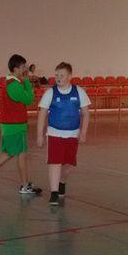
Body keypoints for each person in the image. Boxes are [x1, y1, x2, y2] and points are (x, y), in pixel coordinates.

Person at [0, 54, 42, 195]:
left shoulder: (12, 83)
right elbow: (29, 99)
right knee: (14, 153)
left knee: (15, 153)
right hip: (14, 124)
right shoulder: (14, 85)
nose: (25, 70)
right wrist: (27, 82)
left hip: (13, 124)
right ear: (15, 69)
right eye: (23, 67)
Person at [36, 62, 90, 205]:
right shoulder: (50, 93)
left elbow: (86, 114)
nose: (58, 78)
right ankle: (54, 193)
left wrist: (83, 133)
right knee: (55, 162)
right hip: (54, 134)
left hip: (72, 135)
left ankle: (62, 182)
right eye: (56, 75)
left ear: (70, 76)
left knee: (67, 165)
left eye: (62, 75)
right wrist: (40, 135)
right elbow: (42, 114)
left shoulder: (79, 92)